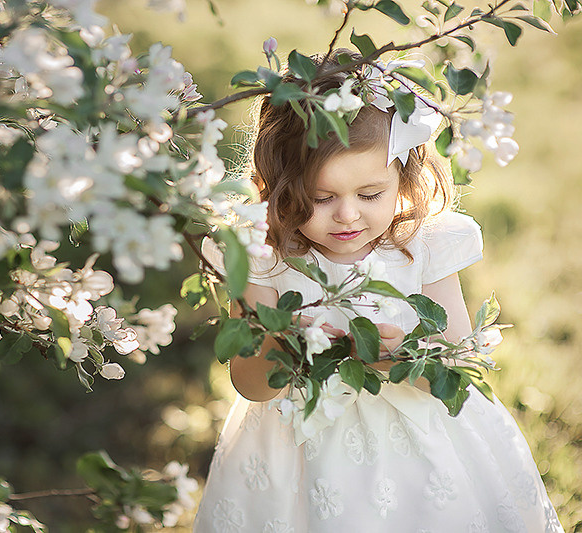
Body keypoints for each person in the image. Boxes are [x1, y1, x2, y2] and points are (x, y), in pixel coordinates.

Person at [194, 51, 563, 532]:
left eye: (370, 195)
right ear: (278, 188)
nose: (347, 215)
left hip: (421, 445)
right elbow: (250, 384)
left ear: (402, 178)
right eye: (321, 198)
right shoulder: (262, 255)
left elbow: (457, 371)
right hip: (296, 453)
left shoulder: (423, 246)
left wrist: (403, 356)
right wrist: (285, 344)